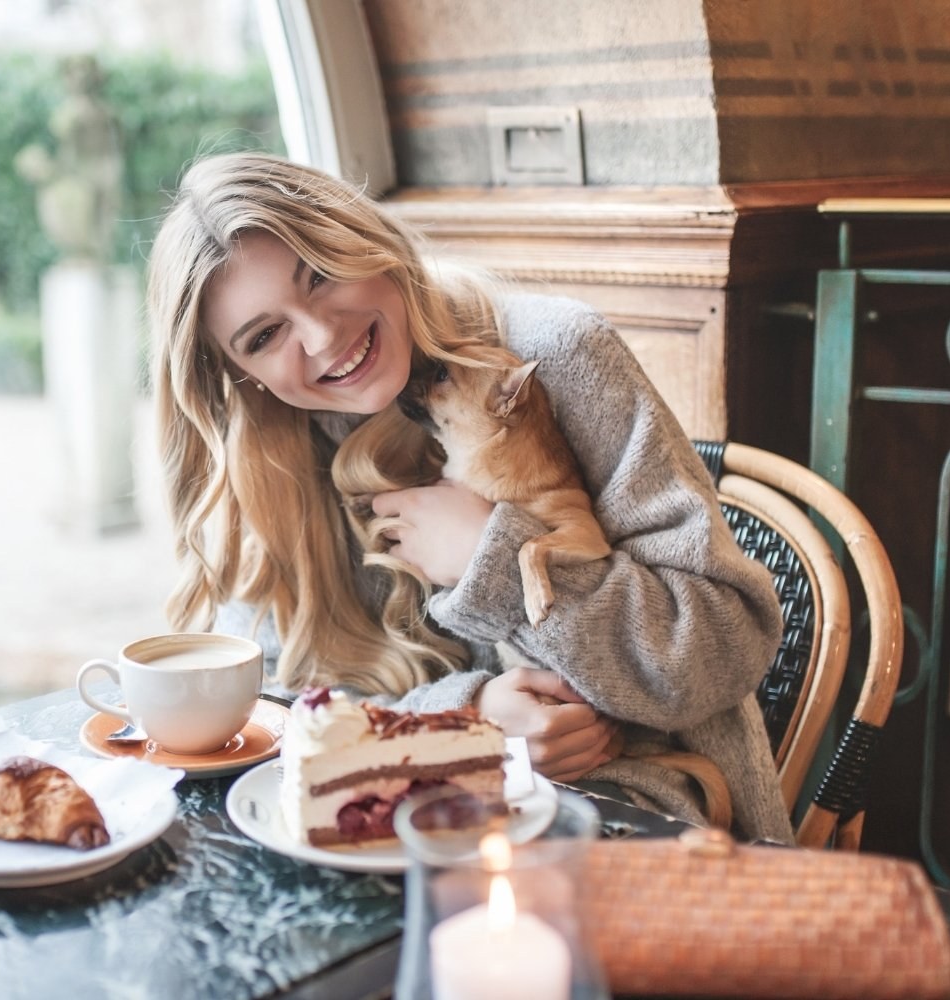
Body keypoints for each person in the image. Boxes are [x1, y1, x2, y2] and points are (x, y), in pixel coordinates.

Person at [145, 151, 793, 843]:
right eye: (266, 335)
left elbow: (727, 648)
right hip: (411, 815)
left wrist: (498, 559)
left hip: (638, 816)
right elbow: (277, 712)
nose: (324, 334)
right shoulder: (269, 464)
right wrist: (469, 727)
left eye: (324, 273)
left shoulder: (554, 357)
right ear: (240, 374)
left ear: (370, 240)